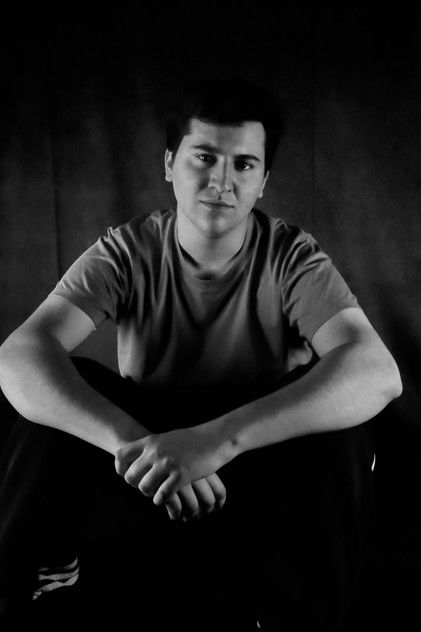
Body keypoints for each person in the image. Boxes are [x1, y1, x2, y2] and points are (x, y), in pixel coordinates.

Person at [0, 78, 402, 631]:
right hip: (149, 444)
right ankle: (40, 578)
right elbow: (18, 354)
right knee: (53, 388)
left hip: (250, 452)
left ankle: (301, 615)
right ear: (170, 164)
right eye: (205, 157)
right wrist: (133, 443)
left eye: (244, 165)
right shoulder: (128, 249)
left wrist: (217, 441)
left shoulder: (291, 256)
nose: (221, 182)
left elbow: (378, 371)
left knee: (344, 422)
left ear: (263, 181)